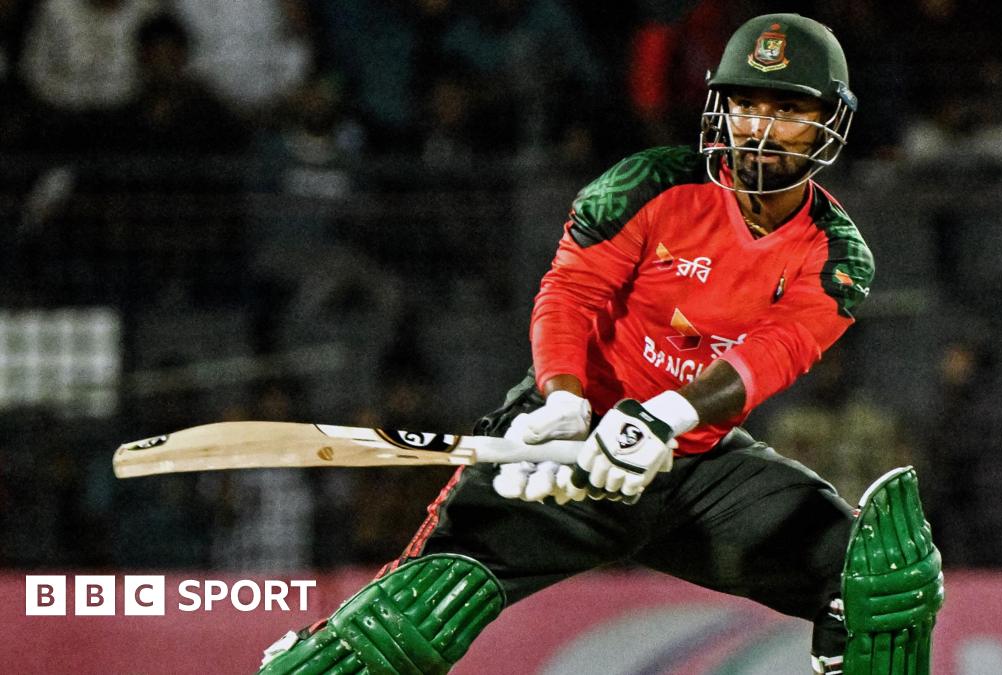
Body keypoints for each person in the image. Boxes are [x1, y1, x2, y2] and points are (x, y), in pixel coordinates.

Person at [257, 14, 943, 675]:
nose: (760, 130)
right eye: (746, 106)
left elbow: (771, 353)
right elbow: (570, 292)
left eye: (787, 110)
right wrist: (561, 399)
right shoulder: (650, 183)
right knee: (407, 623)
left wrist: (663, 418)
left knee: (882, 580)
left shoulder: (837, 254)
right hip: (566, 447)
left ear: (830, 121)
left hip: (694, 469)